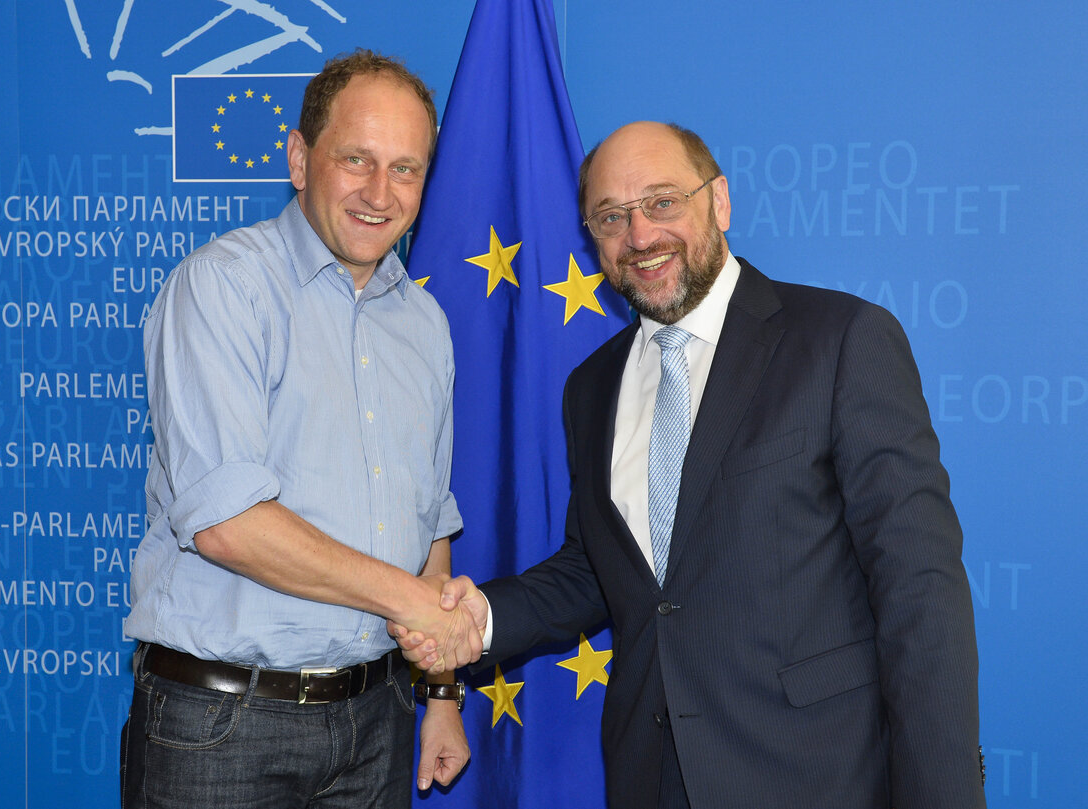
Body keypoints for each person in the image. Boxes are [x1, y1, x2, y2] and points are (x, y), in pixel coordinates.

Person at [395, 121, 986, 808]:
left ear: (720, 201)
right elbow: (599, 570)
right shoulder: (591, 387)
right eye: (611, 217)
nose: (639, 236)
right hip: (651, 777)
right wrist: (480, 618)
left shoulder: (840, 341)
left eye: (662, 202)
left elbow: (920, 590)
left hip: (818, 777)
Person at [121, 50, 481, 809]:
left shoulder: (425, 323)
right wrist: (415, 606)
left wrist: (441, 694)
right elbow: (227, 523)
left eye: (406, 169)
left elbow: (429, 522)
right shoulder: (223, 287)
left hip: (377, 722)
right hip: (224, 727)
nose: (380, 193)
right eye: (357, 159)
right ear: (298, 157)